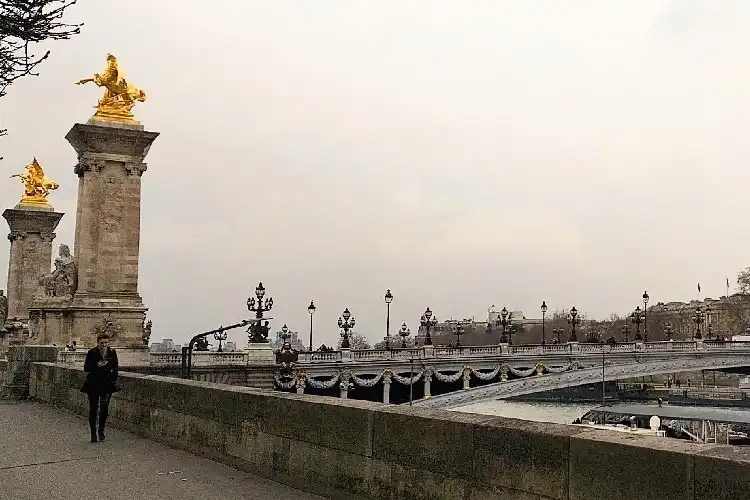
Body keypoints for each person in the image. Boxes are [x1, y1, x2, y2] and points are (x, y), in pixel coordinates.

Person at [81, 334, 119, 442]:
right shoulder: (92, 352)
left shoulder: (112, 352)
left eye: (106, 343)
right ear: (98, 343)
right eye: (102, 343)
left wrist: (112, 379)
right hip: (93, 384)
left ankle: (101, 432)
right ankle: (93, 434)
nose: (104, 345)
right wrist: (97, 366)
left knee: (104, 410)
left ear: (108, 343)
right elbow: (86, 368)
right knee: (93, 409)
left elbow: (115, 367)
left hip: (107, 385)